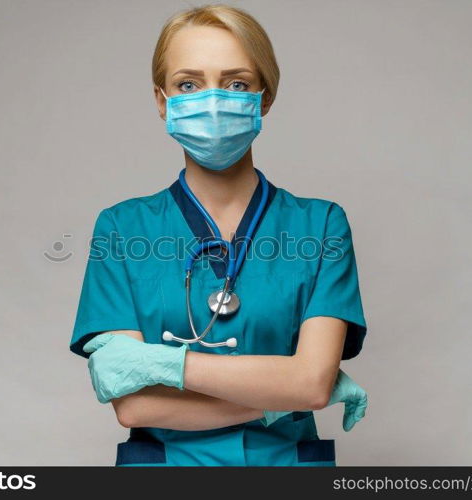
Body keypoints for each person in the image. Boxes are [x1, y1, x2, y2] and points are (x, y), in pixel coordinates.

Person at [69, 4, 369, 466]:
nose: (212, 100)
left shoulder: (322, 225)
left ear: (264, 97)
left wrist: (165, 366)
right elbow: (135, 406)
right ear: (161, 99)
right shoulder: (121, 229)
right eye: (188, 84)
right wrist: (279, 397)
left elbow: (310, 386)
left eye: (236, 83)